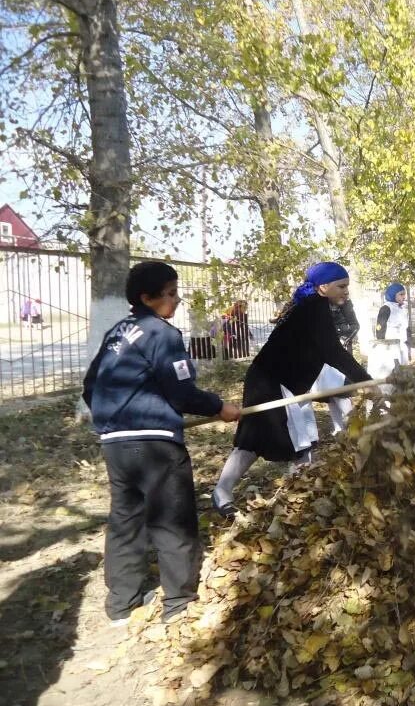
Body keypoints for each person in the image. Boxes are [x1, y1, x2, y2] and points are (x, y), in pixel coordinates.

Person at [81, 262, 241, 624]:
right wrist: (221, 408)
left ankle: (121, 605)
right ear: (146, 298)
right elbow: (182, 392)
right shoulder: (162, 334)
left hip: (115, 444)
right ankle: (179, 605)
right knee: (172, 519)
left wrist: (115, 419)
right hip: (155, 445)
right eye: (170, 293)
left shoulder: (118, 333)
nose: (177, 299)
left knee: (126, 519)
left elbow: (91, 386)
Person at [212, 262, 372, 517]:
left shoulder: (314, 307)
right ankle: (226, 493)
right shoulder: (314, 309)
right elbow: (332, 351)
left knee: (297, 439)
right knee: (260, 440)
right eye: (341, 286)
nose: (346, 291)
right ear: (323, 287)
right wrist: (366, 379)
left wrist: (352, 384)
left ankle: (295, 495)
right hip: (269, 382)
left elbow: (320, 354)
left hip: (284, 382)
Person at [367, 282, 415, 380]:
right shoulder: (386, 308)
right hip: (389, 348)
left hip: (401, 347)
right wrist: (383, 347)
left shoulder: (402, 309)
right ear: (393, 294)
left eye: (404, 294)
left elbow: (406, 329)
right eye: (401, 294)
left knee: (403, 375)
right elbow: (380, 329)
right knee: (390, 374)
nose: (404, 297)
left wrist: (410, 346)